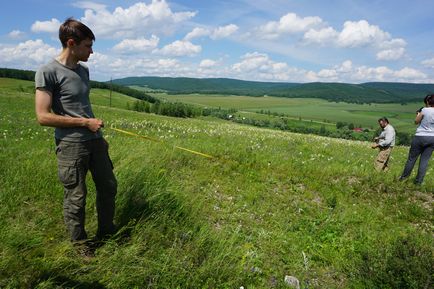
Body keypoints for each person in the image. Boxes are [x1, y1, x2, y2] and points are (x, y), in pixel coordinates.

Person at [35, 18, 117, 256]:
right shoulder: (47, 72)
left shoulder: (83, 71)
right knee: (76, 197)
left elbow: (82, 107)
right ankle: (80, 246)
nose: (91, 51)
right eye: (88, 46)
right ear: (71, 43)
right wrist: (84, 123)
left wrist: (98, 135)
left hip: (94, 142)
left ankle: (107, 232)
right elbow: (42, 116)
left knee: (109, 187)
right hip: (71, 146)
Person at [399, 94, 434, 185]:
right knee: (424, 161)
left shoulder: (424, 110)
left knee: (412, 159)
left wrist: (418, 114)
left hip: (420, 136)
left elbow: (416, 122)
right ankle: (418, 182)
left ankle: (403, 179)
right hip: (432, 138)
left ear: (427, 102)